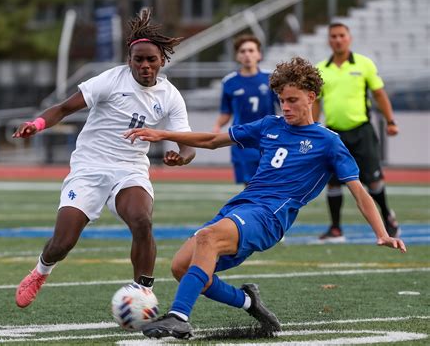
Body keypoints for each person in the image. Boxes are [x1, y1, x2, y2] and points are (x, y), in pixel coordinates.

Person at [125, 57, 407, 339]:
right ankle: (249, 301)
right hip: (242, 206)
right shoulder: (269, 125)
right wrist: (160, 134)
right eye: (282, 100)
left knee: (207, 238)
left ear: (311, 97)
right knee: (181, 267)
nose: (285, 107)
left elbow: (359, 191)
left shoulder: (328, 141)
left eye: (292, 100)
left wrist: (381, 233)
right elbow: (212, 141)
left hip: (270, 216)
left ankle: (179, 317)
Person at [12, 9, 196, 308]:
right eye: (139, 60)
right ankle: (41, 270)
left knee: (141, 221)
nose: (145, 66)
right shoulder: (110, 80)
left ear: (162, 60)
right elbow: (62, 108)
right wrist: (37, 125)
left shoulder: (171, 96)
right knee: (62, 243)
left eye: (151, 60)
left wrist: (181, 157)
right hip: (89, 168)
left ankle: (143, 292)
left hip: (130, 170)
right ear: (129, 60)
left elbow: (187, 143)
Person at [313, 22, 400, 241]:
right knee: (332, 181)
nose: (338, 39)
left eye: (341, 35)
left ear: (349, 38)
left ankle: (387, 218)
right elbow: (315, 102)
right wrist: (312, 129)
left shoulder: (364, 64)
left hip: (362, 131)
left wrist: (390, 121)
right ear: (329, 40)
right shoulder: (320, 69)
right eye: (333, 36)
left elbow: (379, 94)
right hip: (333, 134)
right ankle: (335, 228)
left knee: (373, 180)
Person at [213, 34, 279, 186]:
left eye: (251, 50)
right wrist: (217, 126)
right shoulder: (229, 82)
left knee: (270, 183)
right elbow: (226, 112)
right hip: (242, 139)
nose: (247, 54)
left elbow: (282, 105)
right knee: (249, 186)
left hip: (268, 138)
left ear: (259, 54)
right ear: (237, 56)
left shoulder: (271, 79)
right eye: (243, 51)